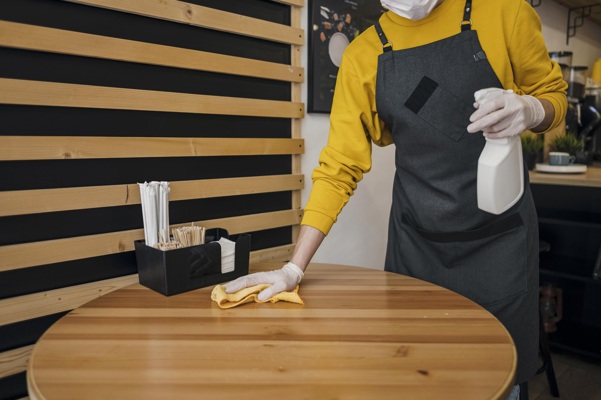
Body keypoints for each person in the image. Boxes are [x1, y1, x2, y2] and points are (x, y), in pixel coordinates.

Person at [225, 0, 568, 398]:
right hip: (416, 248)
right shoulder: (364, 54)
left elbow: (555, 98)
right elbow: (339, 168)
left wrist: (531, 109)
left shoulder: (505, 11)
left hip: (499, 244)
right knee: (417, 375)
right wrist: (293, 269)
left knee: (498, 381)